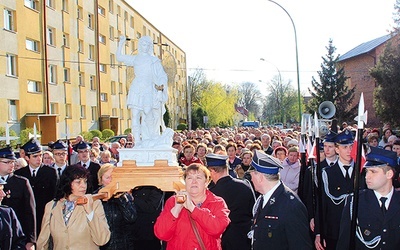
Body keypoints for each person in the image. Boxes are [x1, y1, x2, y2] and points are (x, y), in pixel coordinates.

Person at [154, 163, 230, 249]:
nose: (194, 181)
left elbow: (217, 229)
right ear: (185, 182)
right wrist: (176, 210)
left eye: (198, 177)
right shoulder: (173, 202)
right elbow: (161, 234)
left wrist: (193, 209)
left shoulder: (217, 202)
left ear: (206, 182)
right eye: (189, 178)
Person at [336, 147, 400, 249]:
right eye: (367, 171)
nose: (367, 176)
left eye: (373, 172)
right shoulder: (355, 202)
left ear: (389, 174)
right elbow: (344, 242)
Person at [247, 150, 312, 249]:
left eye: (252, 176)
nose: (251, 180)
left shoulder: (291, 205)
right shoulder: (262, 199)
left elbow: (301, 245)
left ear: (260, 177)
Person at [36, 164, 111, 249]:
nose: (83, 185)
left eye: (85, 181)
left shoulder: (94, 204)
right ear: (68, 183)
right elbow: (42, 242)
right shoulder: (52, 206)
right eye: (78, 182)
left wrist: (90, 213)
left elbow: (102, 239)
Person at [116, 35, 168, 145]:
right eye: (143, 44)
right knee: (135, 115)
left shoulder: (154, 61)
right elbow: (119, 57)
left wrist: (160, 87)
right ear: (140, 45)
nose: (145, 47)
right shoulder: (135, 58)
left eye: (147, 45)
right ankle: (138, 141)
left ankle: (150, 138)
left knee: (148, 113)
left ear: (150, 47)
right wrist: (121, 43)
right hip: (136, 88)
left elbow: (162, 75)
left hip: (149, 89)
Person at [314, 130, 355, 250]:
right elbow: (322, 204)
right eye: (345, 147)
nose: (349, 150)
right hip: (333, 231)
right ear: (337, 150)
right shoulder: (327, 173)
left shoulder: (362, 172)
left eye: (352, 147)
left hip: (357, 230)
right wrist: (318, 232)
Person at [206, 154, 255, 250]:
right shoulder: (245, 185)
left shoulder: (212, 193)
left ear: (212, 171)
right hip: (244, 239)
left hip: (223, 241)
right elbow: (253, 211)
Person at [15, 138, 58, 235]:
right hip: (25, 218)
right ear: (27, 158)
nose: (39, 159)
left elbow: (55, 194)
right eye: (35, 156)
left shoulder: (50, 172)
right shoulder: (19, 173)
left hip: (45, 216)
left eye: (40, 155)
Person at [0, 146, 36, 250]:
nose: (11, 165)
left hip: (16, 235)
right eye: (7, 162)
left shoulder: (22, 182)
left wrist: (30, 240)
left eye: (12, 162)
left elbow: (30, 212)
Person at [95, 164, 137, 250]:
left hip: (123, 244)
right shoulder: (95, 197)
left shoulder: (124, 196)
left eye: (113, 177)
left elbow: (131, 218)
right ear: (101, 179)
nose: (110, 181)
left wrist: (121, 198)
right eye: (107, 178)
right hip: (102, 244)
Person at [0, 170, 27, 249]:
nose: (3, 194)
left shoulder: (7, 213)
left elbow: (19, 241)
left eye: (3, 189)